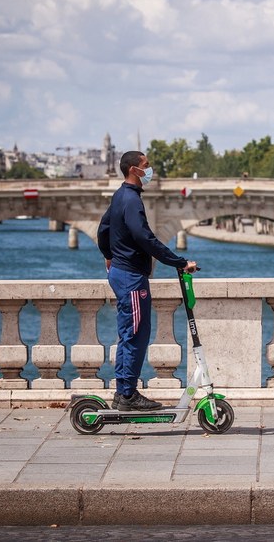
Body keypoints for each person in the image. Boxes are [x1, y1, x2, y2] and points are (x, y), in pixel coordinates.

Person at [97, 150, 196, 411]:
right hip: (131, 277)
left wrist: (109, 255)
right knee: (137, 334)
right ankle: (129, 395)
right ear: (134, 169)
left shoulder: (120, 196)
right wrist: (179, 261)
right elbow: (144, 237)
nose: (149, 170)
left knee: (128, 334)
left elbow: (103, 229)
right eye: (146, 165)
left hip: (121, 272)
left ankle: (123, 392)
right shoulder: (132, 200)